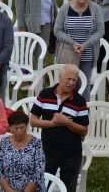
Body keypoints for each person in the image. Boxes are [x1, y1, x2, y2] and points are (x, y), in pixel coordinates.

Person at [30, 64, 89, 192]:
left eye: (74, 80)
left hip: (71, 154)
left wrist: (67, 123)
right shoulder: (45, 94)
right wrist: (53, 123)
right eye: (68, 79)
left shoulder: (79, 101)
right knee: (42, 187)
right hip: (47, 150)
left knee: (69, 189)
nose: (71, 83)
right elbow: (33, 121)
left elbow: (84, 130)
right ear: (60, 77)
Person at [54, 0, 104, 99]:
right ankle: (65, 109)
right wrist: (73, 43)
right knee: (68, 84)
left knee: (84, 83)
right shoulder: (65, 9)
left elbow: (101, 30)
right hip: (68, 52)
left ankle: (82, 110)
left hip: (87, 53)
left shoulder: (95, 9)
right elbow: (57, 30)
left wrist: (85, 45)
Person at [0, 111, 46, 192]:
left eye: (22, 127)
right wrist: (9, 190)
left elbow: (38, 172)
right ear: (10, 127)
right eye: (15, 128)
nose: (19, 131)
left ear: (27, 126)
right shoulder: (4, 142)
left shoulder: (36, 143)